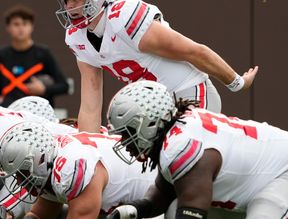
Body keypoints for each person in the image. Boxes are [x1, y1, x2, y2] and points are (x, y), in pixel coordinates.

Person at [52, 0, 258, 133]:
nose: (70, 7)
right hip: (152, 108)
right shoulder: (76, 37)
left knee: (185, 165)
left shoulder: (124, 19)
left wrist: (236, 82)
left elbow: (194, 51)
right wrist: (87, 148)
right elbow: (90, 103)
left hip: (188, 93)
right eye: (66, 0)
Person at [106, 80, 288, 219]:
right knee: (173, 207)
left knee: (265, 212)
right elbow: (163, 194)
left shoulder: (181, 146)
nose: (123, 142)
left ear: (149, 123)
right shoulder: (177, 135)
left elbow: (192, 212)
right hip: (264, 178)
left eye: (126, 133)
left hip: (282, 173)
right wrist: (132, 210)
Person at [0, 121, 163, 219]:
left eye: (21, 173)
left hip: (157, 202)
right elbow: (41, 215)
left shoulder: (71, 168)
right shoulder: (50, 164)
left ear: (39, 161)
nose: (18, 181)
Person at [0, 5, 69, 107]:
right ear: (8, 28)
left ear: (32, 27)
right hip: (9, 113)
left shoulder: (43, 53)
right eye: (16, 24)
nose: (21, 28)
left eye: (25, 24)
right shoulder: (1, 56)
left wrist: (44, 89)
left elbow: (64, 86)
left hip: (37, 112)